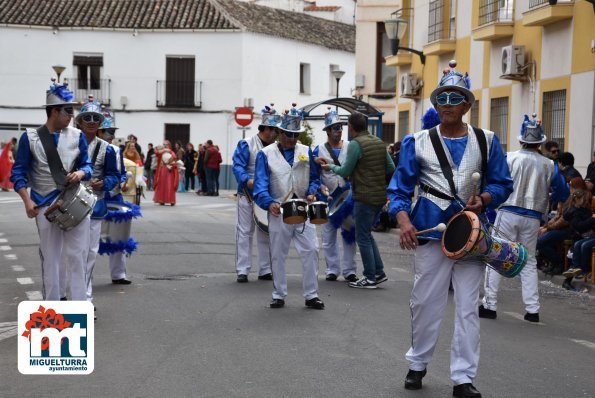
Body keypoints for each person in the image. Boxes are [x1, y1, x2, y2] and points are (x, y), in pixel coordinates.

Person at [388, 61, 513, 397]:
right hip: (431, 231)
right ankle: (417, 363)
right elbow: (399, 189)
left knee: (468, 307)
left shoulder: (487, 141)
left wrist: (485, 198)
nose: (446, 105)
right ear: (435, 104)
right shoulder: (417, 141)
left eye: (454, 98)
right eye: (441, 99)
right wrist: (403, 221)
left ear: (467, 105)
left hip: (472, 234)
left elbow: (503, 183)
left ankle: (463, 378)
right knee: (425, 301)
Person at [479, 114, 569, 323]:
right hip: (533, 217)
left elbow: (493, 182)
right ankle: (532, 310)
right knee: (529, 261)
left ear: (521, 139)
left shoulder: (508, 157)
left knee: (496, 257)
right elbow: (563, 193)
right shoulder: (549, 165)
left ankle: (490, 305)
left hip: (508, 212)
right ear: (540, 142)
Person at [10, 79, 93, 301]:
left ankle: (79, 306)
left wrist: (81, 173)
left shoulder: (78, 136)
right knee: (51, 259)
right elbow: (18, 173)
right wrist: (27, 201)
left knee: (78, 256)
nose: (71, 116)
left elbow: (88, 165)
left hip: (73, 202)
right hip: (44, 205)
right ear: (54, 111)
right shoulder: (31, 137)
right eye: (68, 111)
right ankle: (53, 308)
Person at [253, 104, 324, 310]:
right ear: (280, 132)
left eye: (295, 135)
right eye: (288, 135)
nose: (292, 140)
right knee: (277, 253)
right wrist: (269, 203)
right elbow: (260, 185)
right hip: (279, 209)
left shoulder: (307, 151)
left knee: (311, 250)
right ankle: (279, 294)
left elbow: (314, 178)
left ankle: (311, 295)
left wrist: (312, 190)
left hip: (303, 208)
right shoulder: (265, 154)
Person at [317, 111, 395, 289]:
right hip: (379, 196)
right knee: (367, 233)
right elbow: (390, 167)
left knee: (362, 237)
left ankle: (369, 277)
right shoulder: (377, 141)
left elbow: (344, 171)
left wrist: (331, 167)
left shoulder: (355, 144)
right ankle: (379, 271)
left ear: (351, 128)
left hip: (363, 196)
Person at [67, 97, 120, 304]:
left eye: (95, 118)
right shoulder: (68, 143)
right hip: (70, 204)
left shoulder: (107, 149)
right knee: (71, 253)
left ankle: (85, 300)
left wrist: (104, 183)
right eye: (86, 117)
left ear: (99, 123)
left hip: (95, 206)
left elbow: (114, 176)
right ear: (79, 121)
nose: (91, 121)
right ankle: (69, 296)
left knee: (89, 254)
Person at [232, 104, 278, 283]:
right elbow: (238, 166)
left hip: (267, 195)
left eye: (276, 130)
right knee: (244, 231)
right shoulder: (247, 144)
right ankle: (242, 269)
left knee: (266, 231)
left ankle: (265, 269)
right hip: (247, 193)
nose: (274, 133)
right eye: (272, 129)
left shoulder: (276, 147)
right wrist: (247, 180)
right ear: (263, 128)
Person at [312, 109, 357, 282]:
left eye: (340, 127)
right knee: (328, 237)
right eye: (335, 127)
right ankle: (332, 269)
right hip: (328, 199)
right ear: (328, 131)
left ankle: (350, 270)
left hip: (348, 199)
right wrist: (320, 187)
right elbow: (314, 175)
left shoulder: (351, 147)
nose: (339, 130)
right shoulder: (318, 150)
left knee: (349, 236)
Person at [97, 111, 140, 284]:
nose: (111, 135)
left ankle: (118, 274)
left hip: (114, 197)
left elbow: (121, 173)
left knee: (119, 236)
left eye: (112, 132)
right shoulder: (88, 148)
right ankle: (82, 280)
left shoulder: (115, 151)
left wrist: (123, 180)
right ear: (99, 132)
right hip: (94, 198)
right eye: (107, 131)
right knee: (87, 240)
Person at [561, 189, 595, 285]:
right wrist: (592, 219)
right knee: (578, 245)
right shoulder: (574, 211)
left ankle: (580, 269)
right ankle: (578, 270)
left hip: (583, 237)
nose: (585, 200)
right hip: (579, 236)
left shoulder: (582, 209)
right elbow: (580, 226)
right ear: (578, 199)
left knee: (581, 246)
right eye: (584, 199)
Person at [153, 140, 178, 205]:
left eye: (166, 144)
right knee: (162, 184)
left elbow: (174, 158)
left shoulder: (171, 152)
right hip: (162, 170)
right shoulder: (161, 152)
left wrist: (171, 164)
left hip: (170, 170)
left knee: (169, 184)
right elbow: (156, 153)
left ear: (169, 145)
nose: (165, 145)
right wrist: (164, 150)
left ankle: (171, 200)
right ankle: (161, 200)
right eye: (164, 144)